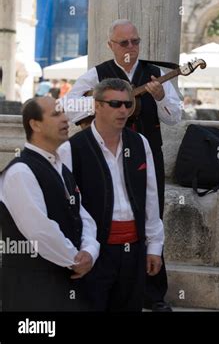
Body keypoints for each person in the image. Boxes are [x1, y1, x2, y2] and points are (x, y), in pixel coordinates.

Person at [65, 19, 181, 311]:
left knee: (150, 211)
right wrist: (102, 104)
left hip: (145, 151)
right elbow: (66, 107)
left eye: (135, 42)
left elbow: (174, 118)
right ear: (111, 45)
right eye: (124, 43)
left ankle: (152, 292)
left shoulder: (155, 74)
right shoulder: (97, 74)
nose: (131, 48)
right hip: (101, 150)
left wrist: (161, 95)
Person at [58, 78, 164, 311]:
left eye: (128, 104)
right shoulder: (71, 149)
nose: (123, 110)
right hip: (95, 251)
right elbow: (68, 207)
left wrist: (155, 245)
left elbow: (151, 196)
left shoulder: (140, 143)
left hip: (134, 249)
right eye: (115, 104)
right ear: (96, 105)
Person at [0, 96, 99, 311]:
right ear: (34, 124)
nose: (65, 119)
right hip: (31, 290)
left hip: (65, 284)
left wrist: (90, 250)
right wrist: (75, 259)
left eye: (64, 113)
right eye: (56, 114)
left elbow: (82, 216)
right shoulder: (20, 171)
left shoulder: (62, 169)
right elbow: (39, 231)